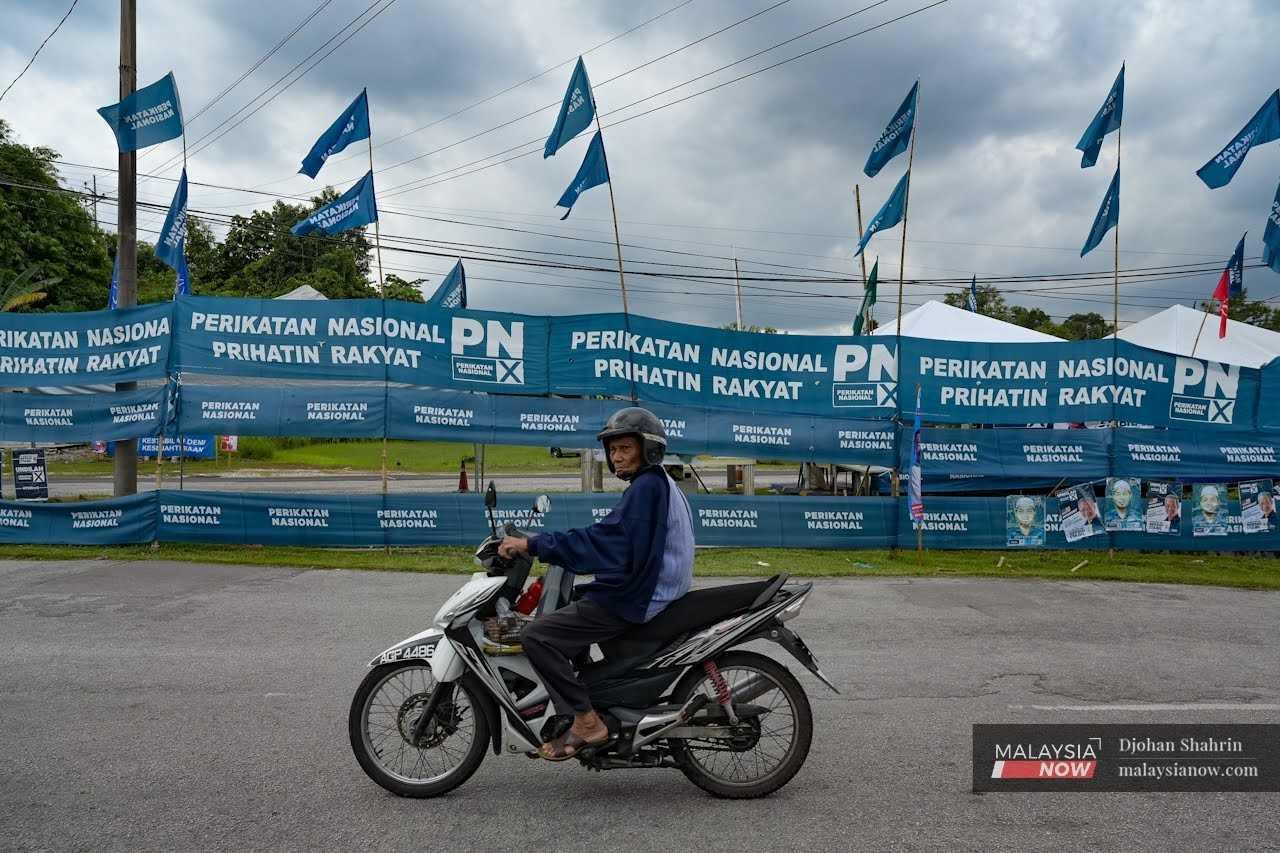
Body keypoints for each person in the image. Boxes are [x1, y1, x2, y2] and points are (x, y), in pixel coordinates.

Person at [497, 407, 694, 761]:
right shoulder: (655, 484)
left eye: (625, 449)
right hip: (648, 585)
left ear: (648, 448)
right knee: (573, 600)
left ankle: (587, 721)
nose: (617, 457)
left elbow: (605, 541)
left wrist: (535, 544)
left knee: (537, 636)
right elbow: (612, 539)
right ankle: (593, 696)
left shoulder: (647, 488)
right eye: (613, 450)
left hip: (640, 594)